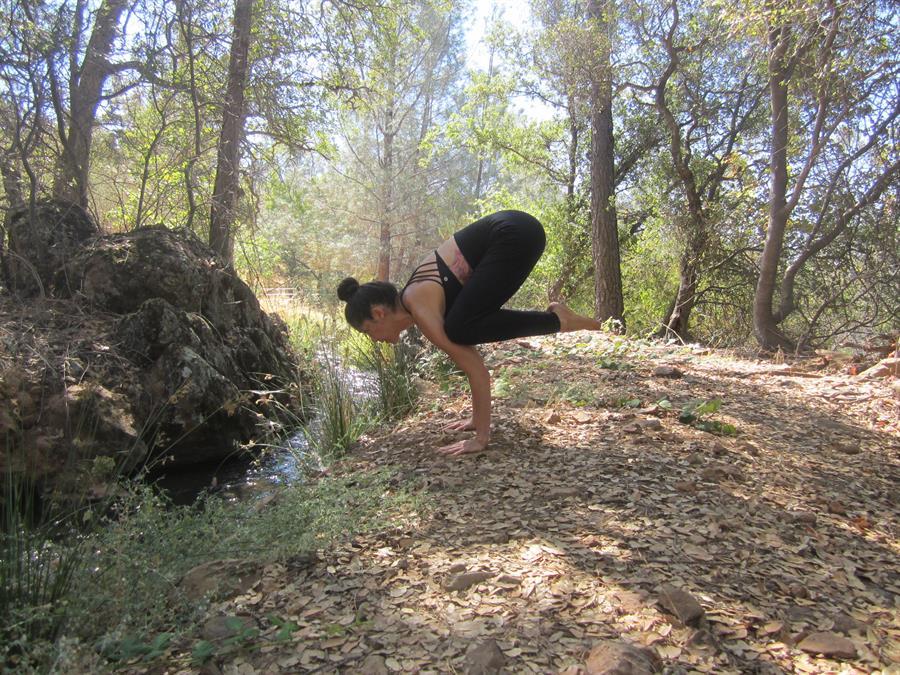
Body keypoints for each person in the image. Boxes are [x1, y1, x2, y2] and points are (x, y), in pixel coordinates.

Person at [337, 209, 602, 456]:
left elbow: (475, 368)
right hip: (518, 231)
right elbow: (470, 352)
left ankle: (558, 320)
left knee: (459, 328)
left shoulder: (418, 304)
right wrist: (476, 420)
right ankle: (559, 319)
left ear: (379, 313)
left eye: (368, 331)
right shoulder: (418, 299)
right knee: (461, 326)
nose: (374, 339)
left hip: (515, 233)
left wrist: (481, 439)